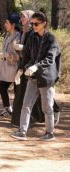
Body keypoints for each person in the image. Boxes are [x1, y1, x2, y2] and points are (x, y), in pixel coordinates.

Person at [10, 10, 61, 141]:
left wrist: (36, 66)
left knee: (47, 107)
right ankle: (22, 131)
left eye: (36, 24)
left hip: (46, 79)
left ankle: (50, 133)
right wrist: (21, 69)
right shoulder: (32, 38)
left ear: (44, 23)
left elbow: (50, 59)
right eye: (32, 24)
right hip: (32, 78)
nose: (33, 27)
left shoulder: (51, 39)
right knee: (26, 105)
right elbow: (26, 55)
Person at [0, 13, 21, 117]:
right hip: (6, 68)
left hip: (16, 69)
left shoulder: (18, 36)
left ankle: (17, 112)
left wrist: (5, 55)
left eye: (7, 22)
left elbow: (19, 56)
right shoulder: (7, 35)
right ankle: (7, 109)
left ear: (13, 24)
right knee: (2, 87)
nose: (5, 24)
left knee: (17, 91)